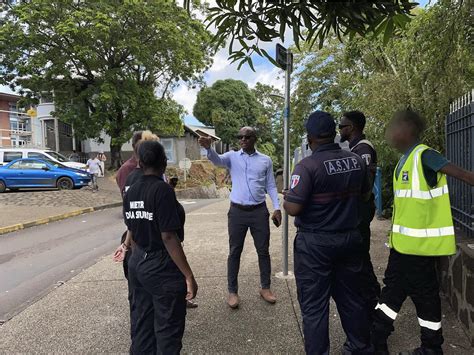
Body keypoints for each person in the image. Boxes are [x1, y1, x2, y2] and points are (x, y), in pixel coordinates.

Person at [371, 110, 474, 355]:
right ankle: (429, 346)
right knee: (421, 296)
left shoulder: (425, 156)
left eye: (394, 128)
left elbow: (465, 176)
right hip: (407, 248)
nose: (390, 135)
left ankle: (377, 340)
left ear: (407, 131)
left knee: (395, 295)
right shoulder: (405, 160)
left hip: (415, 250)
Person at [283, 111, 373, 355]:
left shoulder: (306, 166)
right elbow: (365, 195)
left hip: (315, 245)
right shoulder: (354, 160)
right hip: (350, 239)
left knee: (314, 307)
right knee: (352, 300)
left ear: (310, 138)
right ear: (334, 133)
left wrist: (287, 199)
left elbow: (293, 208)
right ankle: (360, 348)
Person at [113, 140, 197, 354]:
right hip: (160, 265)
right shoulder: (162, 191)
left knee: (142, 322)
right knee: (168, 328)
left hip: (137, 262)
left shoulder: (130, 192)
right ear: (164, 162)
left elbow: (131, 225)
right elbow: (168, 236)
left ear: (139, 162)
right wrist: (188, 275)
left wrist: (125, 246)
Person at [198, 127, 282, 309]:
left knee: (263, 251)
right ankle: (232, 291)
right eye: (240, 137)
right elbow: (217, 161)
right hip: (237, 212)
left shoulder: (265, 160)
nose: (242, 140)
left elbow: (271, 186)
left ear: (254, 139)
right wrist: (208, 149)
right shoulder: (232, 157)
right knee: (235, 251)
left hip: (259, 211)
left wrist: (277, 207)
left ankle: (265, 288)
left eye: (246, 137)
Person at [339, 110, 381, 319]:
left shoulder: (363, 149)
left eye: (342, 126)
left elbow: (364, 184)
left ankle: (374, 305)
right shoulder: (355, 148)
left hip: (360, 212)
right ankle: (372, 303)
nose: (340, 130)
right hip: (357, 211)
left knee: (361, 261)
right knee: (360, 260)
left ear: (352, 127)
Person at [116, 131, 143, 195]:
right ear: (134, 146)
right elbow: (128, 198)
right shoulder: (126, 169)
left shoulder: (153, 166)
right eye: (143, 145)